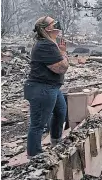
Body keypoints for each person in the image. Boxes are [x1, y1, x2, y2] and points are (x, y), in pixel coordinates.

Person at [24, 16, 69, 158]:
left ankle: (56, 141)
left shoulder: (50, 43)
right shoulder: (45, 45)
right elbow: (61, 68)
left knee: (61, 111)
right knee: (38, 124)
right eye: (53, 23)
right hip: (41, 88)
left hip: (51, 86)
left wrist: (62, 53)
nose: (57, 25)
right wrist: (62, 54)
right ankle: (34, 157)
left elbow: (62, 63)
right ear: (47, 29)